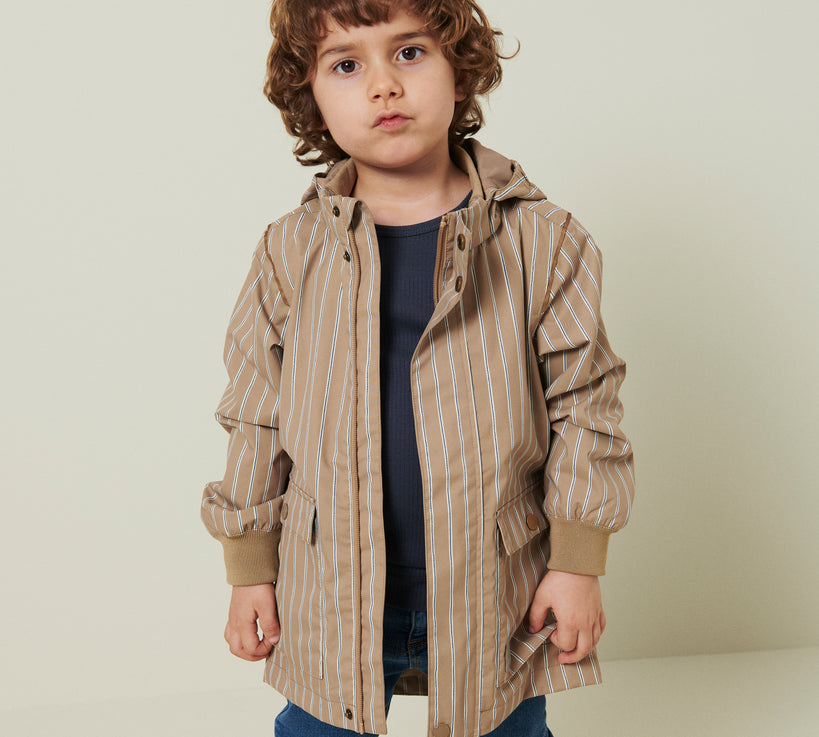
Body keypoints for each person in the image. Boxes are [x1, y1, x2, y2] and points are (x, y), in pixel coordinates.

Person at [200, 1, 635, 735]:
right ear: (312, 98)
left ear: (459, 72)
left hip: (496, 583)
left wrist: (575, 562)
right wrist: (251, 568)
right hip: (329, 585)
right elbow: (255, 415)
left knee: (504, 726)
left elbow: (586, 405)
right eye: (346, 64)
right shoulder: (288, 251)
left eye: (408, 52)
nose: (383, 85)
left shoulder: (542, 241)